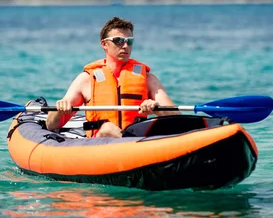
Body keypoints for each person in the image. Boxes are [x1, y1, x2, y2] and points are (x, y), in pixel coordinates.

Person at [46, 16, 180, 137]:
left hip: (136, 143)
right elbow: (52, 125)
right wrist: (59, 110)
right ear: (104, 44)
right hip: (100, 145)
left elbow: (177, 118)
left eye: (129, 41)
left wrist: (156, 109)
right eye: (118, 41)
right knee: (107, 129)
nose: (125, 46)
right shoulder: (86, 80)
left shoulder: (148, 79)